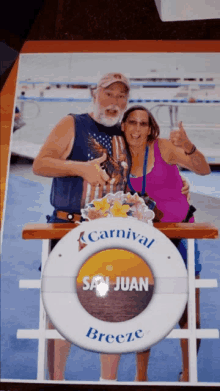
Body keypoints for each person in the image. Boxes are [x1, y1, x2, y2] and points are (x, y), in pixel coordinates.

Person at [33, 73, 190, 381]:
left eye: (121, 96)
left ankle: (109, 381)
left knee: (115, 308)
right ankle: (56, 379)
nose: (115, 101)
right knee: (61, 307)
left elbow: (147, 170)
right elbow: (41, 163)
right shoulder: (73, 123)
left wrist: (178, 183)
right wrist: (78, 168)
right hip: (71, 231)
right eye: (109, 94)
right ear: (95, 93)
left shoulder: (124, 131)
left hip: (113, 234)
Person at [100, 105, 210, 383]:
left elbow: (204, 170)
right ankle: (141, 377)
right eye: (132, 123)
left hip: (183, 234)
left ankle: (187, 375)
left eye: (144, 124)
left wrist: (189, 147)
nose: (138, 129)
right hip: (144, 242)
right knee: (142, 309)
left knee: (189, 312)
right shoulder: (116, 156)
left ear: (151, 129)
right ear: (123, 125)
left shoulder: (163, 148)